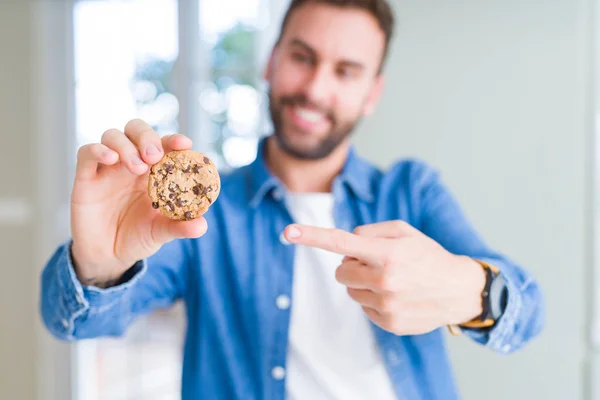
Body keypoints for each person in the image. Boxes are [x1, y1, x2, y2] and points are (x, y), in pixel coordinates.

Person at [40, 0, 544, 399]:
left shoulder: (411, 192)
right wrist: (98, 265)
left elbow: (528, 314)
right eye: (302, 57)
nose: (315, 88)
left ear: (372, 92)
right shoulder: (203, 217)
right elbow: (77, 321)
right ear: (272, 60)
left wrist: (470, 289)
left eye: (346, 70)